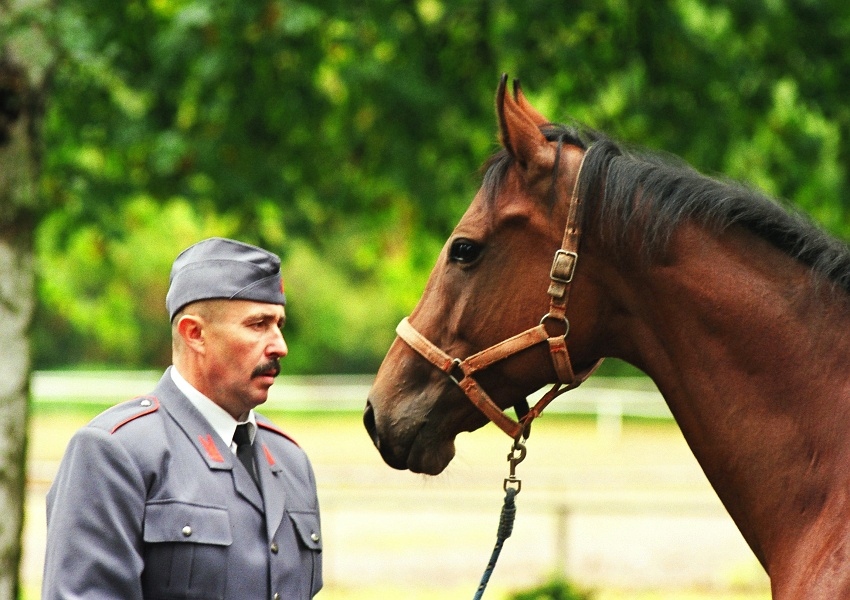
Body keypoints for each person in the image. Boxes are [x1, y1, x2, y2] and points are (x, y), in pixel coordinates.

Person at [43, 237, 323, 600]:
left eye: (279, 324)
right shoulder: (115, 452)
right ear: (195, 334)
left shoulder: (291, 460)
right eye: (258, 325)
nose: (279, 345)